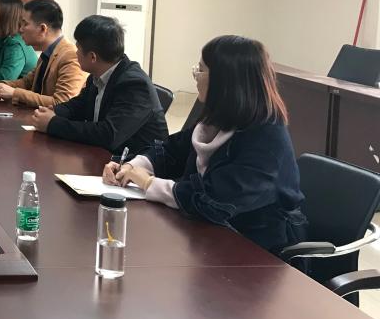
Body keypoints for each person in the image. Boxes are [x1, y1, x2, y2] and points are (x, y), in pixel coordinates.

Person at [103, 35, 308, 253]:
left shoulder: (266, 137)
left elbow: (213, 201)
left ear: (224, 80)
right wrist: (133, 166)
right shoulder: (219, 117)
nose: (195, 76)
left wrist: (147, 182)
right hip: (210, 236)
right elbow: (171, 150)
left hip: (259, 249)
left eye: (200, 70)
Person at [30, 15, 167, 153]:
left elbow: (108, 135)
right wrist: (54, 111)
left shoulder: (135, 85)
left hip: (136, 160)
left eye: (78, 49)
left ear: (92, 57)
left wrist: (53, 124)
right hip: (104, 155)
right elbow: (78, 105)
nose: (76, 53)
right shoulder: (98, 74)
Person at [0, 0, 85, 107]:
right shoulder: (48, 52)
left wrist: (14, 93)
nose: (20, 29)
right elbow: (27, 82)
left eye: (25, 24)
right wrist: (0, 85)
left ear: (43, 29)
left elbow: (62, 103)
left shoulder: (70, 56)